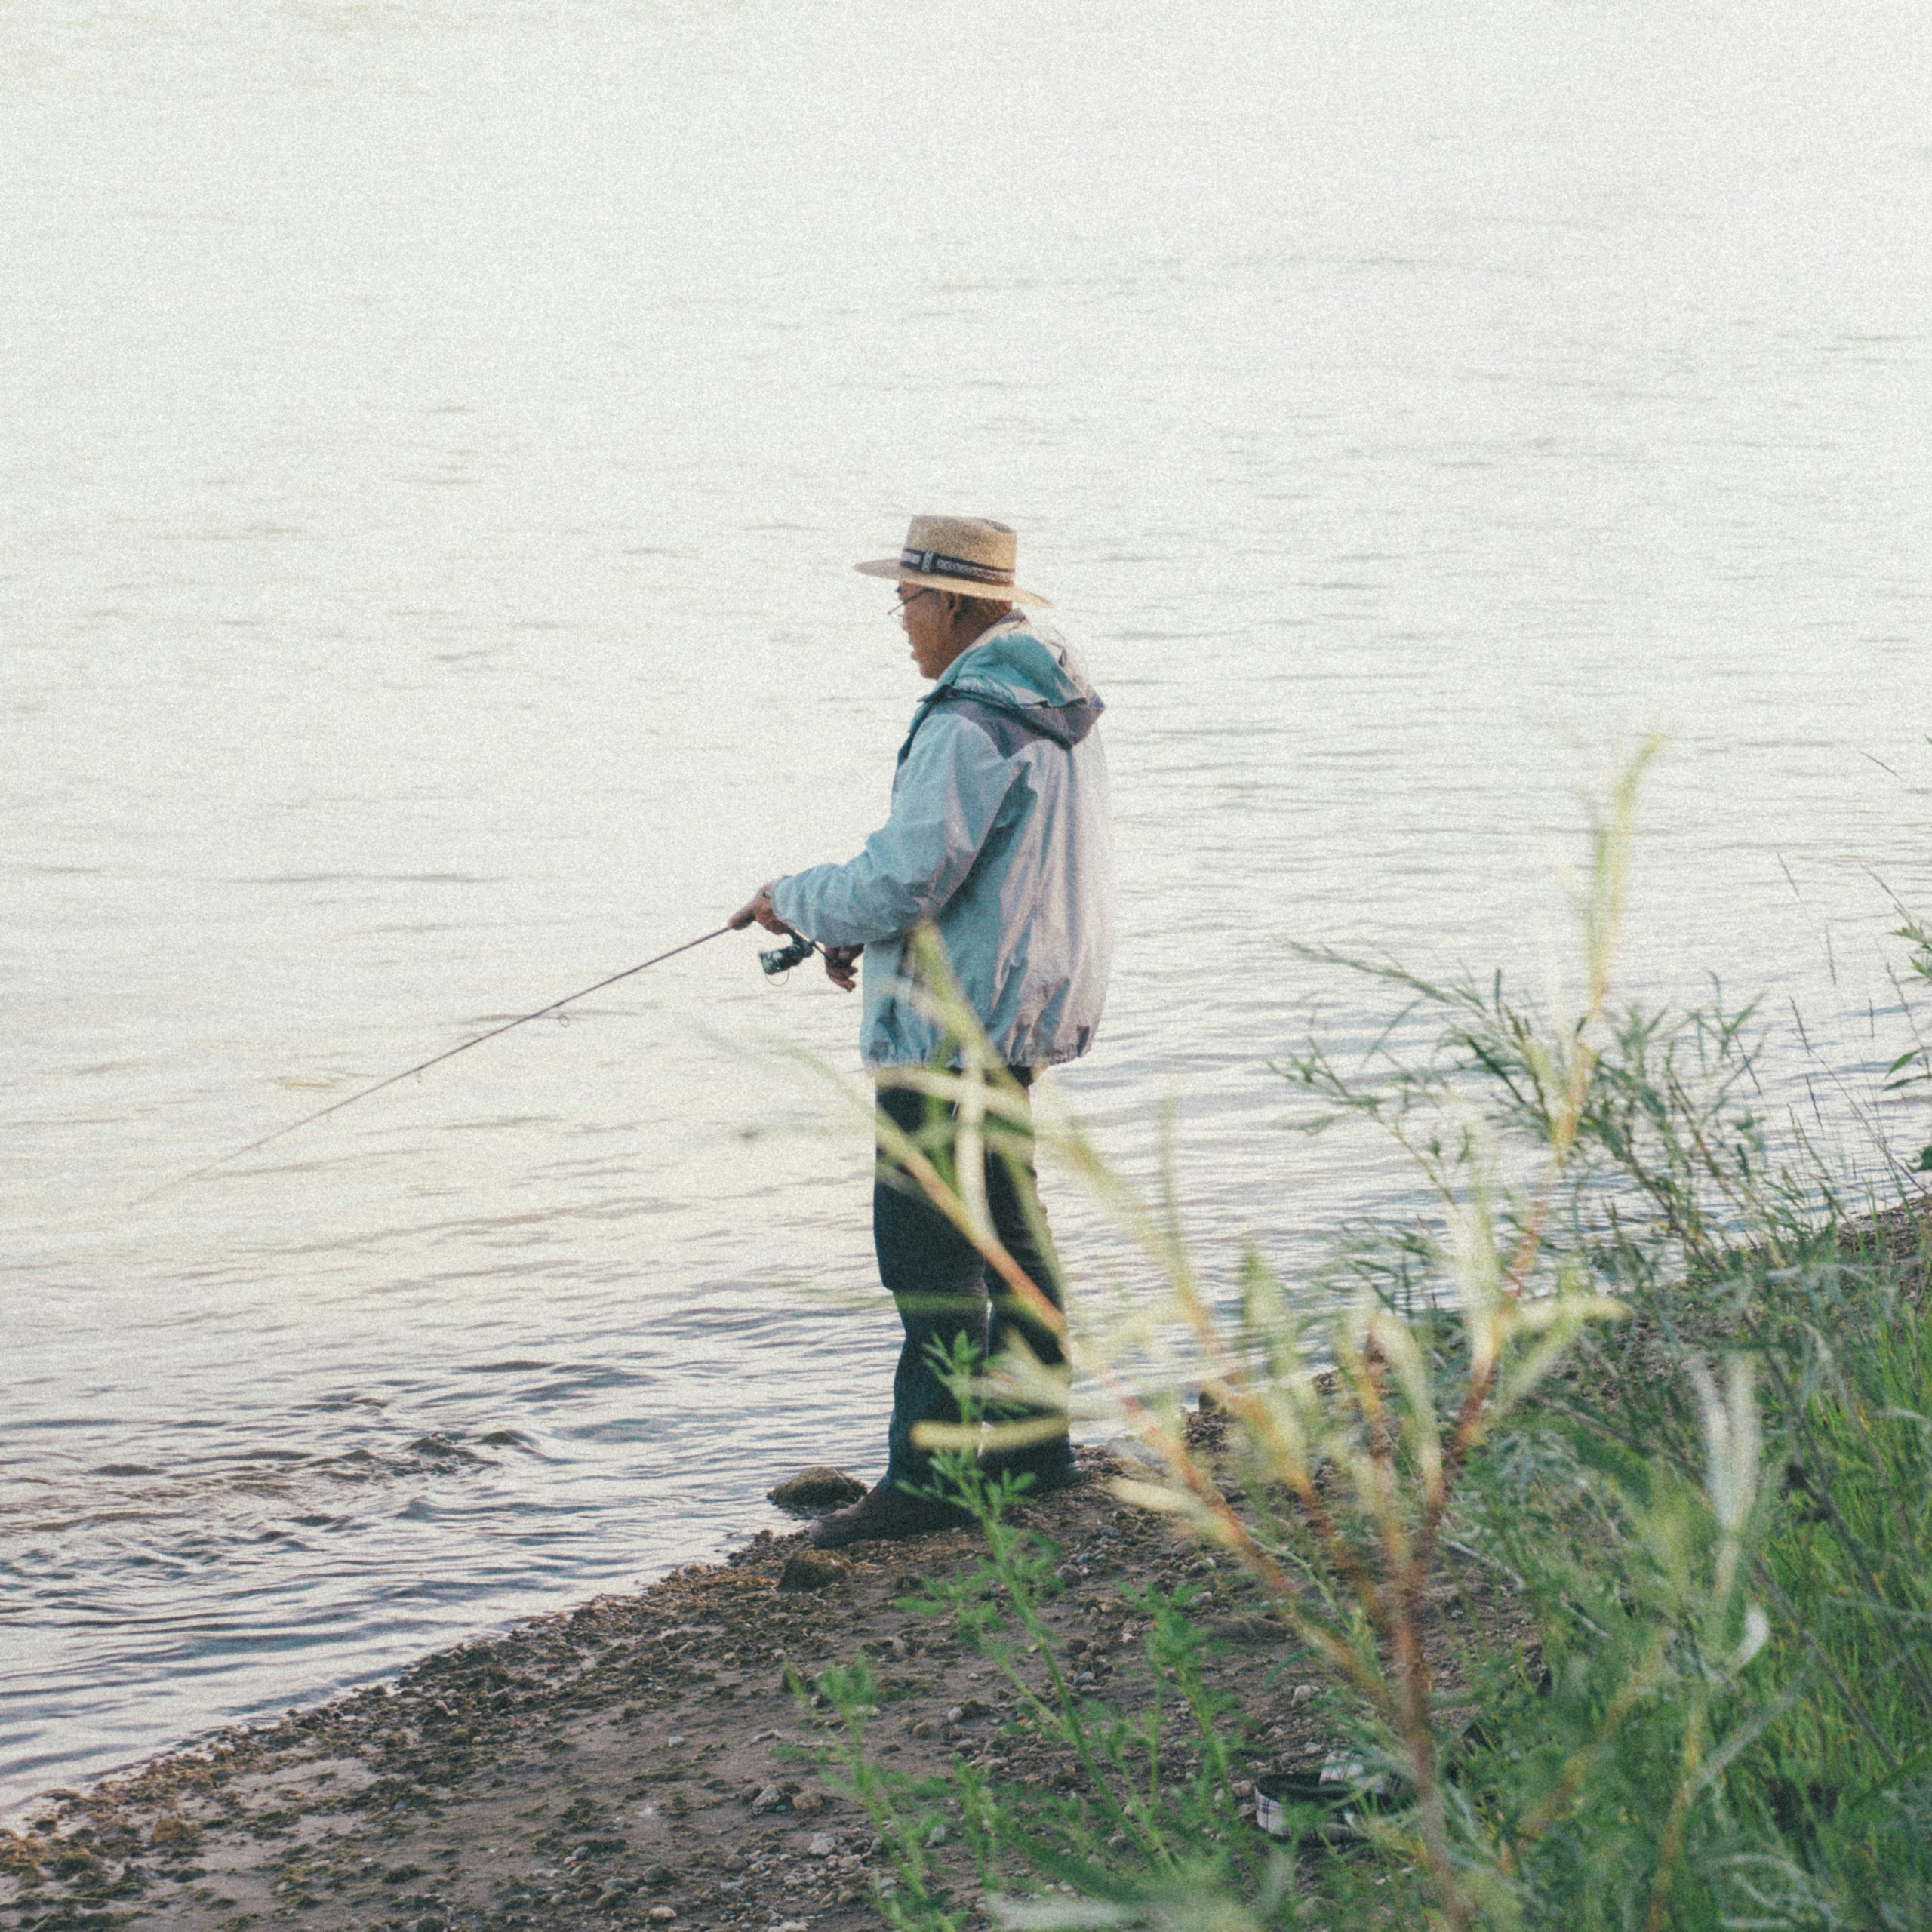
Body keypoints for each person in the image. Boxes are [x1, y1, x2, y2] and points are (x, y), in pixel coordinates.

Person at [730, 515, 1113, 1546]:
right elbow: (975, 877)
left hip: (951, 1026)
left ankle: (930, 1482)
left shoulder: (968, 717)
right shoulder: (1047, 700)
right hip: (1015, 1008)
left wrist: (794, 901)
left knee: (927, 1251)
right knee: (1012, 1233)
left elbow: (908, 872)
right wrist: (859, 937)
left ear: (949, 601)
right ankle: (1035, 1453)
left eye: (905, 600)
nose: (900, 622)